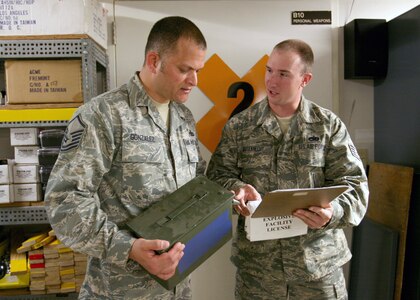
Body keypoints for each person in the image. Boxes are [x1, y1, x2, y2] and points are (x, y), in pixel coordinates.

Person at [45, 16, 207, 299]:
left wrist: (232, 194)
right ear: (154, 61)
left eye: (198, 70)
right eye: (185, 69)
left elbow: (198, 184)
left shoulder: (184, 118)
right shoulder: (103, 115)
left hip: (177, 288)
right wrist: (128, 248)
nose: (194, 80)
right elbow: (64, 203)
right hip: (120, 290)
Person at [206, 39, 369, 299]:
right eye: (269, 70)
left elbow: (356, 187)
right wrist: (237, 190)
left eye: (283, 74)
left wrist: (332, 212)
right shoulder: (240, 127)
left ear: (305, 79)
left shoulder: (327, 126)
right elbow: (216, 177)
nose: (272, 81)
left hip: (317, 270)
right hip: (259, 273)